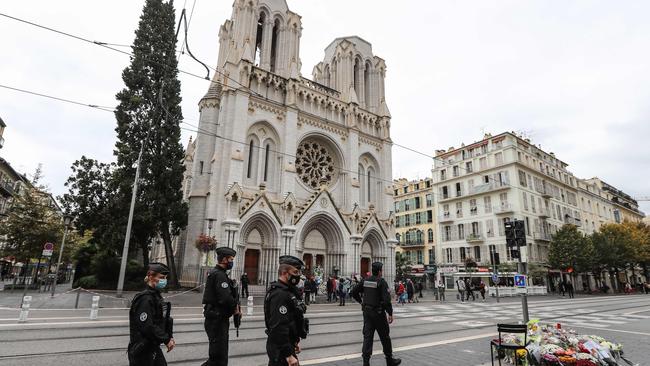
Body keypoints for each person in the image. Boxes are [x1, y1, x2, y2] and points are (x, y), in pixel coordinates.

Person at [351, 262, 401, 366]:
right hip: (378, 313)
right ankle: (389, 360)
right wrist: (390, 313)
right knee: (385, 337)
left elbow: (353, 292)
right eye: (381, 270)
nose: (382, 272)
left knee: (368, 337)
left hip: (367, 313)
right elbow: (387, 300)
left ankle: (366, 362)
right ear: (379, 271)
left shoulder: (365, 280)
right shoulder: (381, 282)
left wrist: (361, 302)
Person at [265, 255, 309, 366]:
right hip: (280, 351)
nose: (298, 275)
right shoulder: (280, 294)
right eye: (295, 272)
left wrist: (294, 342)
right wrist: (288, 354)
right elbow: (279, 326)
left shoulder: (288, 292)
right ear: (284, 273)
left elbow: (291, 320)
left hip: (286, 346)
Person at [128, 262, 175, 366]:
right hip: (142, 350)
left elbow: (164, 320)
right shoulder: (145, 298)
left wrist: (169, 336)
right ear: (150, 276)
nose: (164, 281)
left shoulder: (156, 296)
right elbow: (147, 326)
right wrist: (166, 339)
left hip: (152, 346)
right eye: (161, 277)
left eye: (165, 278)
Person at [202, 247, 241, 366]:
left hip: (217, 318)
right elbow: (225, 298)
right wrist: (236, 307)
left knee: (219, 357)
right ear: (224, 259)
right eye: (231, 259)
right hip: (217, 319)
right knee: (218, 358)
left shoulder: (218, 273)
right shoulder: (219, 275)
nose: (232, 262)